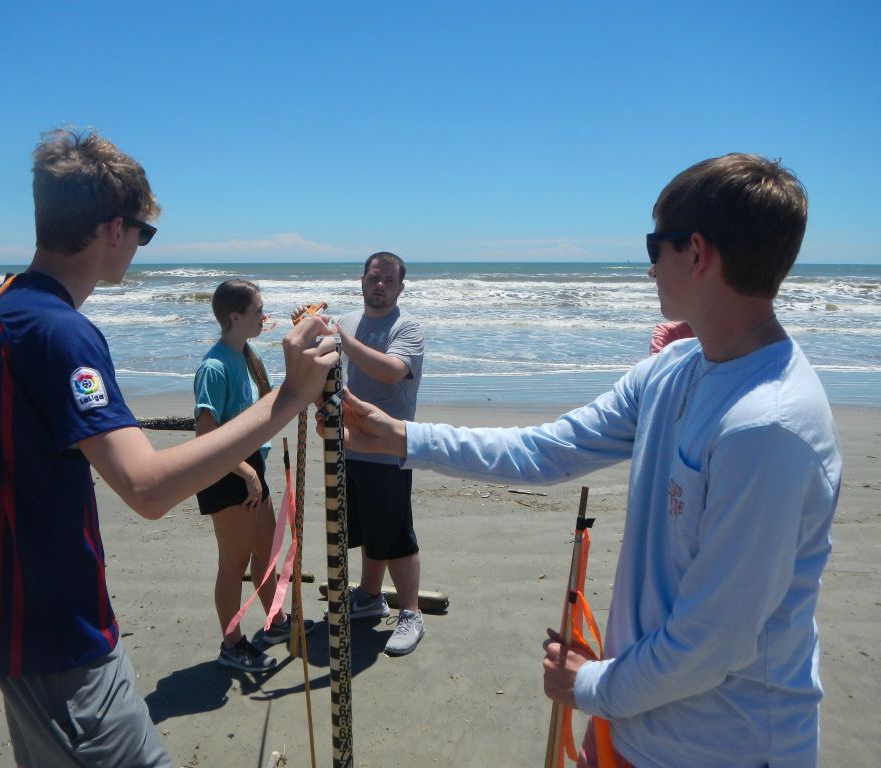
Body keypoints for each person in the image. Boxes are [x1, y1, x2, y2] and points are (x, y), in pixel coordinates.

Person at [337, 155, 841, 766]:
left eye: (655, 245)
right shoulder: (672, 371)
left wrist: (589, 684)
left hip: (720, 745)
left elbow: (715, 642)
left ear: (697, 253)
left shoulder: (769, 426)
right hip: (630, 714)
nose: (648, 266)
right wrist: (402, 438)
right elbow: (546, 449)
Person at [0, 128, 336, 768]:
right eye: (144, 233)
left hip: (2, 607)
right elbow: (146, 487)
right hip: (60, 631)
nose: (140, 247)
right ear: (114, 229)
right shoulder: (63, 333)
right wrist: (286, 400)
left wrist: (4, 524)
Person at [194, 279, 315, 671]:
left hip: (251, 469)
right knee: (234, 564)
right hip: (226, 474)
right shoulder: (214, 367)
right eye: (258, 310)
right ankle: (232, 644)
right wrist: (246, 472)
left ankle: (276, 623)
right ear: (235, 317)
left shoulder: (248, 354)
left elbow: (271, 402)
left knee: (266, 551)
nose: (265, 316)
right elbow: (206, 435)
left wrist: (303, 341)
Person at [332, 251, 427, 656]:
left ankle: (411, 613)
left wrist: (342, 340)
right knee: (365, 528)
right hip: (349, 444)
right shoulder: (348, 321)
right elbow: (332, 366)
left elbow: (390, 370)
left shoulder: (407, 327)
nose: (380, 285)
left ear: (401, 287)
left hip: (389, 449)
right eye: (374, 277)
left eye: (389, 280)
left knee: (396, 535)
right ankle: (370, 596)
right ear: (362, 280)